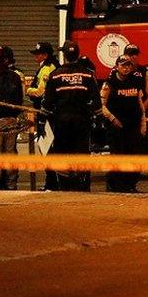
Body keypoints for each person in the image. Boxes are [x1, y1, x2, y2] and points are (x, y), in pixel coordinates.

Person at [41, 41, 102, 191]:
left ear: (64, 55)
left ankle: (65, 186)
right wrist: (99, 121)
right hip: (82, 121)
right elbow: (96, 101)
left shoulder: (55, 75)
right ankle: (83, 186)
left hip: (62, 122)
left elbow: (47, 103)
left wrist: (42, 122)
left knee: (62, 153)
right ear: (78, 54)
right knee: (82, 153)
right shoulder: (88, 74)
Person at [101, 55, 146, 193]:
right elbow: (102, 105)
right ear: (117, 66)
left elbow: (140, 104)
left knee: (134, 155)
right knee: (117, 155)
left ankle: (130, 185)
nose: (126, 68)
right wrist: (113, 119)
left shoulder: (136, 81)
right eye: (123, 65)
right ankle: (115, 185)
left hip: (133, 125)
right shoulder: (109, 83)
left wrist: (143, 123)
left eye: (128, 65)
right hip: (116, 126)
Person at [0, 47, 24, 190]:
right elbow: (20, 99)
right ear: (5, 59)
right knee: (11, 152)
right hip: (11, 120)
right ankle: (11, 183)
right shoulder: (15, 76)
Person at [26, 42, 58, 139]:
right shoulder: (50, 65)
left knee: (46, 141)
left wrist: (28, 90)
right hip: (50, 109)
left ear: (45, 55)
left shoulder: (47, 68)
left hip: (47, 111)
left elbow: (40, 92)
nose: (35, 55)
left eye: (38, 53)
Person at [122, 44, 148, 111]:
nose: (132, 57)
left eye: (135, 54)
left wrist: (139, 112)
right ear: (124, 56)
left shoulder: (144, 71)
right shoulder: (116, 71)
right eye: (129, 54)